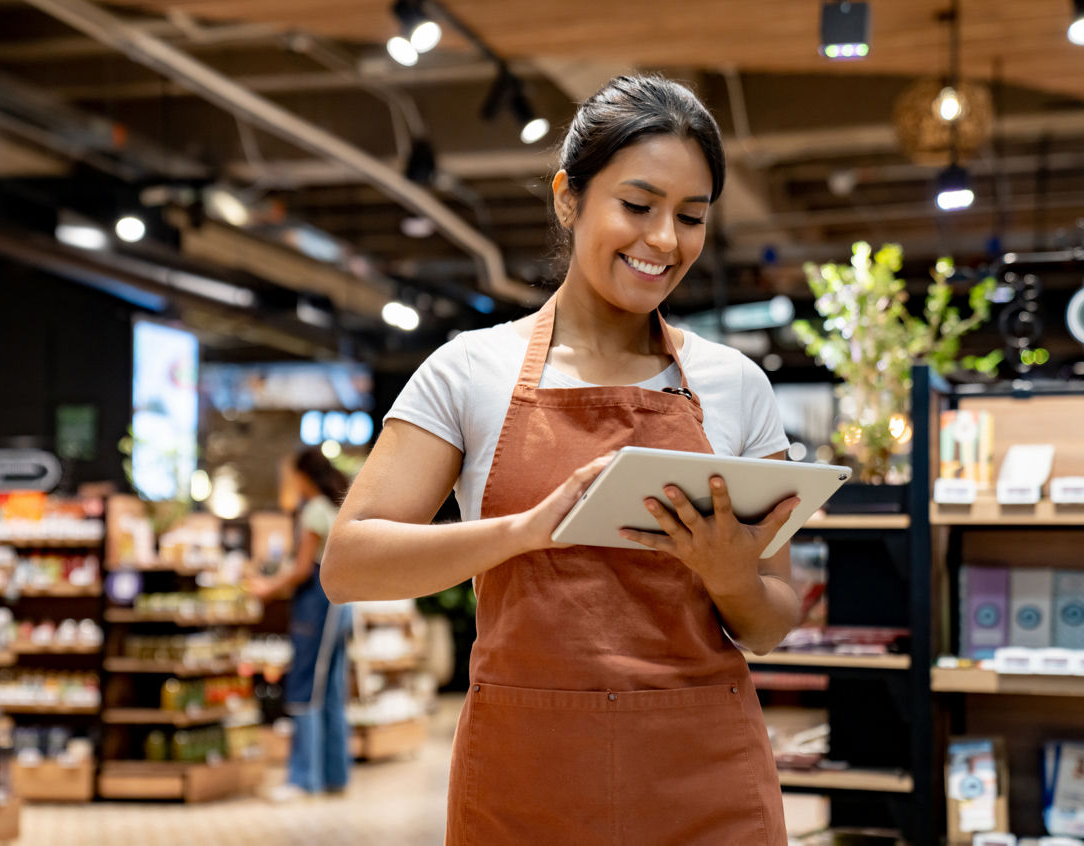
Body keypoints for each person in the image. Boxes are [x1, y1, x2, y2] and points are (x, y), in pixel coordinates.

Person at [322, 74, 800, 844]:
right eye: (638, 206)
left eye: (692, 216)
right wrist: (528, 530)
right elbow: (349, 564)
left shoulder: (735, 385)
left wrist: (729, 574)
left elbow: (774, 622)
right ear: (567, 198)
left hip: (702, 775)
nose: (665, 241)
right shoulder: (468, 370)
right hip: (527, 778)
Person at [250, 446, 353, 803]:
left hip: (318, 606)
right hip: (340, 605)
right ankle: (335, 774)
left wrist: (267, 587)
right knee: (332, 690)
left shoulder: (313, 512)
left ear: (301, 475)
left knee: (305, 687)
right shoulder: (335, 508)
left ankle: (303, 778)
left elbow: (300, 570)